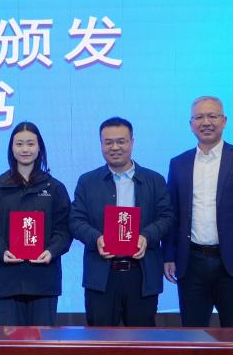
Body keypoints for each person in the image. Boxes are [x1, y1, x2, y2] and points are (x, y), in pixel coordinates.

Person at [164, 96, 233, 327]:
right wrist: (169, 255)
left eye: (212, 116)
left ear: (224, 121)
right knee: (193, 335)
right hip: (191, 262)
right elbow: (172, 214)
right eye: (199, 117)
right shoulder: (178, 163)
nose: (206, 122)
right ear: (191, 124)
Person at [70, 116, 174, 327]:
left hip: (142, 274)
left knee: (142, 340)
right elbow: (75, 220)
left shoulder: (154, 180)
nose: (115, 147)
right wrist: (96, 238)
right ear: (101, 144)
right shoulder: (87, 181)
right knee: (100, 340)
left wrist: (146, 236)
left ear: (132, 142)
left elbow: (167, 217)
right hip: (101, 275)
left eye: (121, 141)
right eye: (108, 142)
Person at [0, 122, 71, 326]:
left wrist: (51, 251)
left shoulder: (54, 188)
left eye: (30, 143)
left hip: (44, 279)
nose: (25, 149)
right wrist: (2, 252)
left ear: (39, 148)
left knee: (43, 342)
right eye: (19, 144)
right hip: (8, 279)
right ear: (12, 148)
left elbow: (64, 230)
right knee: (11, 343)